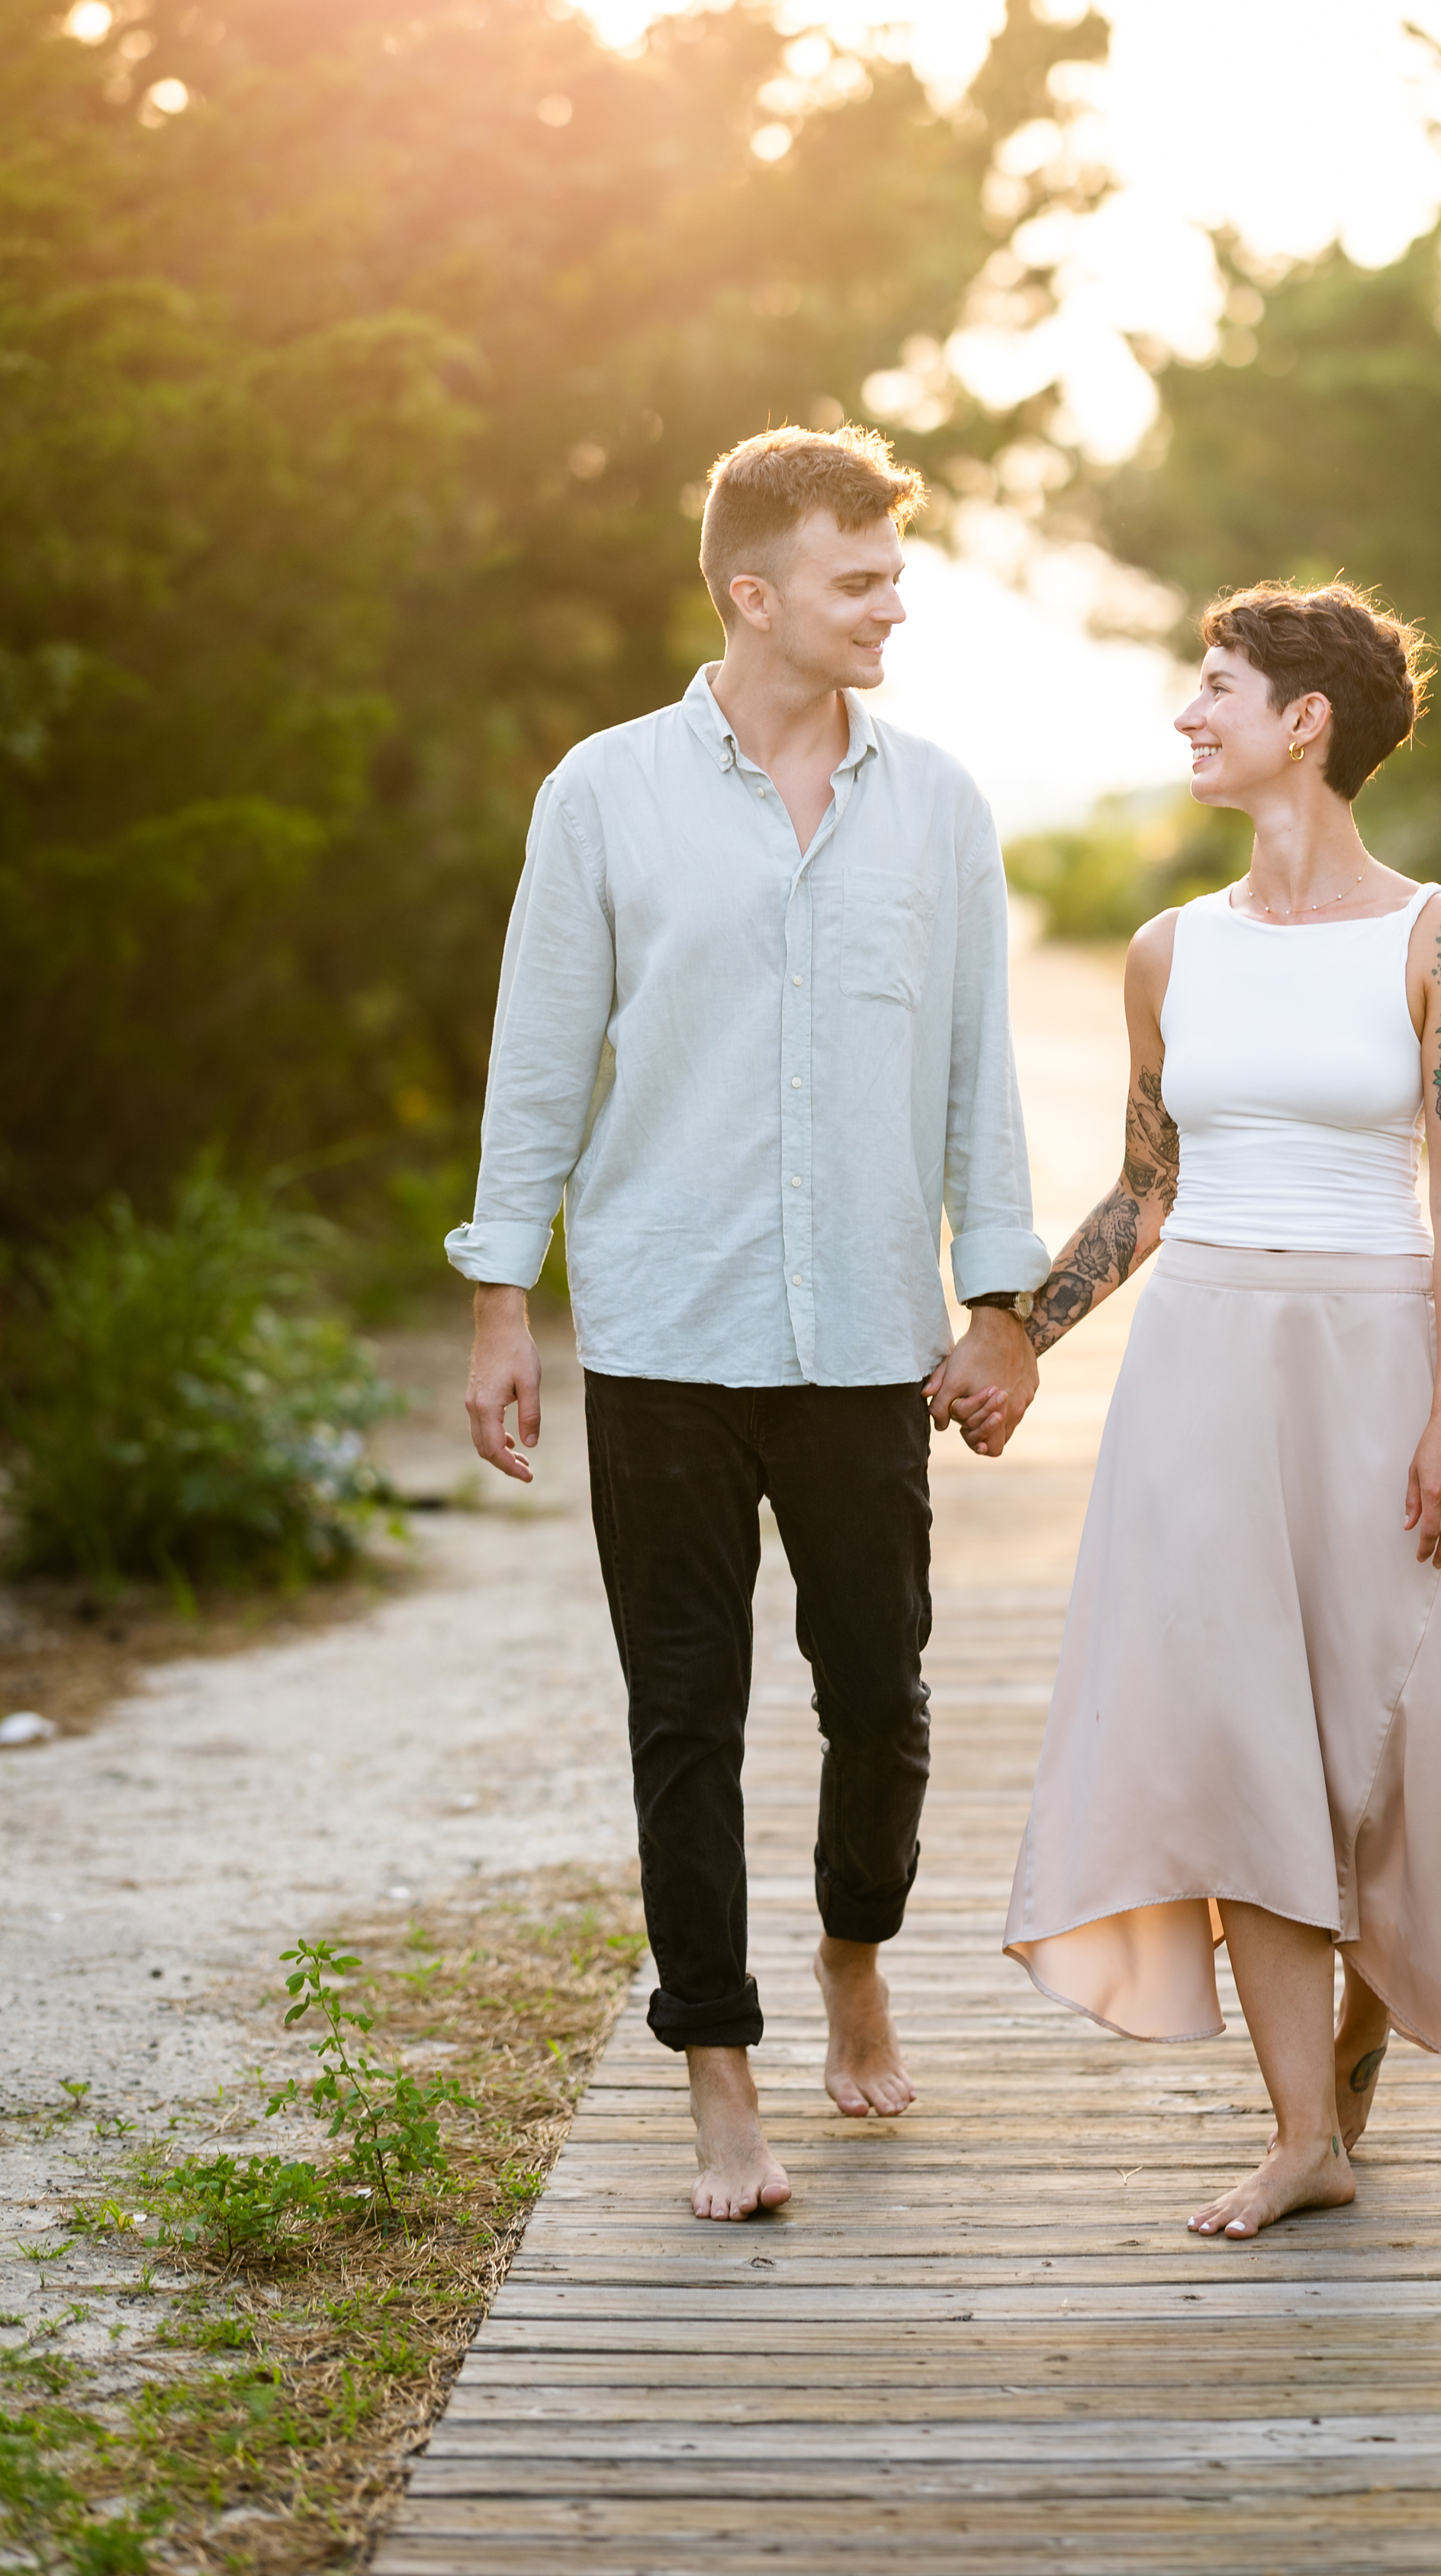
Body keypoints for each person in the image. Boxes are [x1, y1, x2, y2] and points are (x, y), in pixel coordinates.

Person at [449, 423, 1047, 2224]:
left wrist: (999, 1303)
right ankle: (721, 2070)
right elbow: (540, 1054)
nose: (892, 605)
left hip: (866, 1335)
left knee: (883, 1697)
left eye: (892, 572)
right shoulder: (603, 794)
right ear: (754, 592)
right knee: (684, 1715)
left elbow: (976, 1072)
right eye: (859, 579)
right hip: (663, 1330)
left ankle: (855, 1947)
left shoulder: (937, 804)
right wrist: (502, 1297)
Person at [988, 578, 1441, 2240]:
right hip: (1201, 1379)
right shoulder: (1172, 951)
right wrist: (1018, 1334)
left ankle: (1354, 2054)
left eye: (1215, 686)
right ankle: (1305, 2132)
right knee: (1233, 1742)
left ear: (1309, 722)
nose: (1187, 714)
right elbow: (1148, 1192)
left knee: (1376, 1756)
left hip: (1371, 1368)